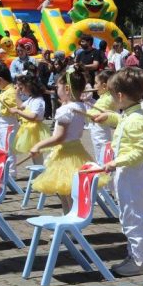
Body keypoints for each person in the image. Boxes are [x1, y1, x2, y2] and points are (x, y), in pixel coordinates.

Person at [101, 68, 143, 277]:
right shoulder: (131, 114)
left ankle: (140, 260)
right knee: (127, 217)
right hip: (127, 174)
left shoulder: (137, 120)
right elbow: (121, 121)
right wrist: (107, 117)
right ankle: (133, 255)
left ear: (120, 96)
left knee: (132, 219)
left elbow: (138, 152)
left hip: (131, 175)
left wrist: (115, 162)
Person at [30, 70, 96, 212]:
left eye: (58, 87)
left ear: (67, 89)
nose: (56, 90)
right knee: (68, 193)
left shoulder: (65, 110)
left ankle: (71, 225)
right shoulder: (80, 106)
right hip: (77, 151)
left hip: (66, 154)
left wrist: (38, 145)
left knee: (66, 194)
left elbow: (59, 137)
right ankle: (69, 224)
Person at [10, 73, 51, 167]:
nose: (21, 90)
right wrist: (16, 95)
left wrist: (17, 111)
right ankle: (38, 173)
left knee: (37, 155)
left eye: (21, 88)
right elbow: (21, 106)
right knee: (34, 155)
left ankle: (40, 173)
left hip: (35, 130)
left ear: (29, 86)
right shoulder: (31, 99)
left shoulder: (38, 100)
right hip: (30, 130)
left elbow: (33, 117)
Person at [85, 69, 116, 165]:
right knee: (100, 155)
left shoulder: (107, 99)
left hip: (101, 133)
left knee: (102, 156)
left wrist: (81, 110)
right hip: (98, 131)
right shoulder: (104, 97)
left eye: (95, 83)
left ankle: (106, 176)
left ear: (104, 86)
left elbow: (96, 115)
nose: (94, 86)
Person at [0, 64, 19, 152]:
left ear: (0, 80)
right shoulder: (4, 91)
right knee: (3, 150)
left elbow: (16, 108)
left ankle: (9, 166)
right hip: (1, 127)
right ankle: (5, 166)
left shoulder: (11, 92)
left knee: (8, 152)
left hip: (7, 126)